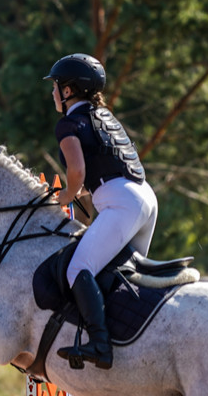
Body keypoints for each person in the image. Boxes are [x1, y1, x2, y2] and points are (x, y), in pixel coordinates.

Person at [44, 53, 158, 370]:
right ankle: (130, 340)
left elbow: (77, 174)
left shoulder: (67, 125)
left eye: (56, 87)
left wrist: (62, 197)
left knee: (77, 269)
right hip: (144, 197)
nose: (53, 93)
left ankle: (100, 344)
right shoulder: (104, 117)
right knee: (121, 276)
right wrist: (78, 190)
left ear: (68, 91)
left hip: (121, 203)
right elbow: (103, 171)